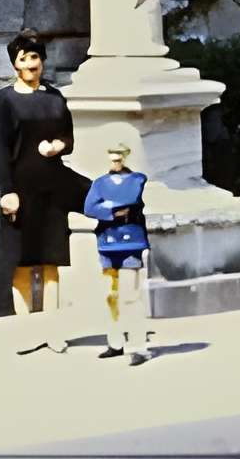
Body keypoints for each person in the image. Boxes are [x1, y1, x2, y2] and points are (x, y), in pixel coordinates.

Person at [0, 31, 93, 353]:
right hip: (21, 190)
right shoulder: (5, 99)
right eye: (24, 59)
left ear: (42, 61)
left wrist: (58, 145)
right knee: (23, 262)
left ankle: (52, 330)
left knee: (50, 262)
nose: (30, 64)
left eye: (35, 57)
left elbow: (69, 137)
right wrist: (8, 191)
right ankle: (26, 331)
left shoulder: (55, 97)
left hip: (52, 189)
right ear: (15, 64)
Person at [84, 138, 151, 364]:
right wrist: (113, 210)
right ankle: (115, 342)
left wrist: (111, 206)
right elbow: (90, 207)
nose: (116, 160)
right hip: (107, 244)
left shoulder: (138, 180)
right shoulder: (100, 183)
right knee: (111, 296)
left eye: (120, 156)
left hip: (131, 243)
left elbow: (133, 200)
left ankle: (139, 346)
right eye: (112, 156)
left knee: (130, 295)